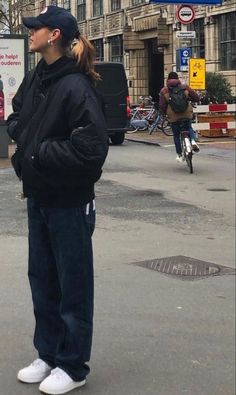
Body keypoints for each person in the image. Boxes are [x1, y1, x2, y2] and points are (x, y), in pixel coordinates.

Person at [7, 5, 108, 395]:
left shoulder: (76, 86)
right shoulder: (38, 77)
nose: (29, 32)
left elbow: (91, 151)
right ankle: (47, 354)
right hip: (40, 197)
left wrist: (34, 154)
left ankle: (72, 364)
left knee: (73, 284)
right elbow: (18, 114)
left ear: (54, 36)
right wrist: (25, 146)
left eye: (36, 28)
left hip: (70, 201)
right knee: (43, 280)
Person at [159, 71, 200, 163]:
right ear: (178, 79)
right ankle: (193, 141)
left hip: (173, 116)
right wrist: (190, 100)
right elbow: (196, 97)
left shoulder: (164, 90)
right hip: (186, 112)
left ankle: (179, 154)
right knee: (189, 127)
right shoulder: (185, 87)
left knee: (176, 134)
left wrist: (165, 113)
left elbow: (162, 105)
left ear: (168, 79)